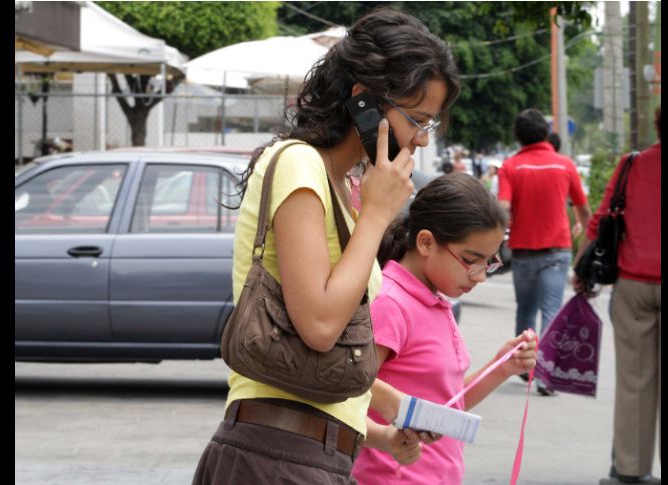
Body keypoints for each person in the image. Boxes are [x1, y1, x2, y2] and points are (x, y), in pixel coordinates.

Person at [192, 9, 461, 484]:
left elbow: (321, 356)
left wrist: (390, 411)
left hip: (315, 455)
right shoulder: (300, 166)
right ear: (364, 103)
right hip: (273, 456)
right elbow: (317, 325)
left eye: (430, 124)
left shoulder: (346, 186)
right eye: (415, 120)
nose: (419, 139)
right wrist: (377, 216)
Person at [350, 172, 538, 484]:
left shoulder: (435, 299)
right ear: (426, 242)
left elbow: (447, 405)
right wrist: (385, 437)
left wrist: (503, 366)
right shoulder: (391, 302)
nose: (479, 276)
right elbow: (348, 389)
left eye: (489, 263)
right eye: (470, 260)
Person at [572, 106, 661, 484]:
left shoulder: (632, 164)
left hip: (634, 285)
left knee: (634, 381)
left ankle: (629, 469)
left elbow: (602, 219)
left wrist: (581, 267)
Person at [497, 109, 590, 396]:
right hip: (557, 250)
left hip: (524, 251)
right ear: (545, 134)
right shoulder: (565, 165)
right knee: (551, 310)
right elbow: (584, 210)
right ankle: (546, 377)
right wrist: (583, 247)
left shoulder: (510, 166)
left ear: (518, 136)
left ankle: (524, 368)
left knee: (525, 309)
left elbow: (502, 208)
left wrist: (497, 239)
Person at [547, 131, 583, 238]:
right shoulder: (565, 166)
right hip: (561, 223)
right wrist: (578, 221)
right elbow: (574, 199)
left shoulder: (533, 167)